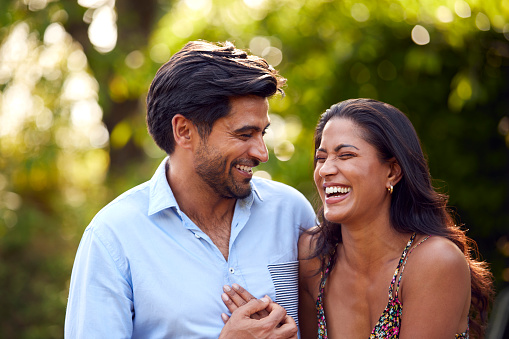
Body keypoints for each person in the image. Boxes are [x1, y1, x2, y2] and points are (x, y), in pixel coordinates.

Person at [64, 40, 316, 338]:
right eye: (244, 134)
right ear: (184, 131)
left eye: (262, 133)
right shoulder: (112, 238)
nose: (262, 153)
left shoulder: (292, 212)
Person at [297, 98, 494, 338]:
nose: (325, 170)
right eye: (321, 158)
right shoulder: (314, 256)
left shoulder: (434, 261)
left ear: (392, 171)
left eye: (346, 155)